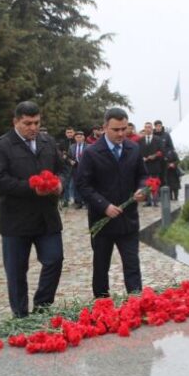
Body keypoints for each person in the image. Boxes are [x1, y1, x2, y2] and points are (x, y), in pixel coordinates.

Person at [0, 101, 66, 318]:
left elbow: (62, 169)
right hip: (16, 220)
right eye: (27, 123)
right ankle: (20, 315)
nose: (33, 127)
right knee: (16, 272)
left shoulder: (47, 142)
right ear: (16, 122)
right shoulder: (1, 145)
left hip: (46, 217)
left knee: (55, 260)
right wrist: (32, 188)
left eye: (36, 122)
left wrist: (59, 183)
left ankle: (42, 306)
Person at [76, 107, 148, 298]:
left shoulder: (133, 149)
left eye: (124, 129)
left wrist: (142, 189)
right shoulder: (91, 153)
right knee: (101, 266)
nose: (121, 133)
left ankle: (136, 302)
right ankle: (102, 305)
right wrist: (104, 205)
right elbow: (83, 185)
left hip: (128, 220)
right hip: (103, 222)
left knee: (132, 264)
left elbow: (143, 175)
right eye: (116, 129)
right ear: (105, 128)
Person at [138, 121, 164, 206]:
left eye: (149, 127)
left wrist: (154, 156)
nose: (147, 129)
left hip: (155, 165)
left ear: (152, 128)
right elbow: (138, 152)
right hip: (145, 166)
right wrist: (141, 158)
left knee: (155, 183)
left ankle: (156, 201)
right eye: (146, 127)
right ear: (144, 129)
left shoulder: (157, 139)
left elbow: (162, 151)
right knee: (146, 184)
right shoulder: (140, 140)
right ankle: (148, 201)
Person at [68, 130, 87, 209]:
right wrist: (70, 161)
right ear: (75, 138)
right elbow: (68, 157)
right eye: (77, 137)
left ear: (83, 137)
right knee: (76, 185)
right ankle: (78, 202)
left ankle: (86, 202)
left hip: (85, 168)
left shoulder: (88, 146)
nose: (79, 139)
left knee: (86, 185)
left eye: (80, 137)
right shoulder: (72, 147)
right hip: (75, 168)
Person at [59, 127, 76, 207]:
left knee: (75, 183)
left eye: (71, 132)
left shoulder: (77, 141)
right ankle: (65, 200)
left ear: (74, 133)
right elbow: (60, 153)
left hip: (76, 165)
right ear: (66, 134)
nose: (69, 134)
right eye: (68, 132)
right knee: (66, 183)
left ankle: (76, 200)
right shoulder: (62, 142)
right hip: (65, 165)